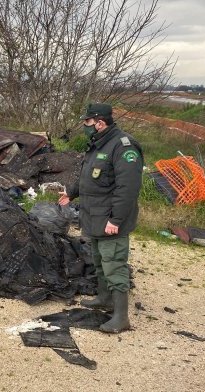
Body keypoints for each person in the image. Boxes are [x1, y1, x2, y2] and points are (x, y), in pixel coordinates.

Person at [58, 103, 143, 333]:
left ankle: (121, 317)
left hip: (109, 220)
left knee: (114, 264)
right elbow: (89, 175)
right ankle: (104, 299)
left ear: (99, 122)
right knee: (100, 262)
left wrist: (116, 220)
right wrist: (72, 192)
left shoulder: (123, 147)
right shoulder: (99, 144)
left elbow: (128, 189)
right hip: (94, 217)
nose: (85, 126)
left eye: (87, 122)